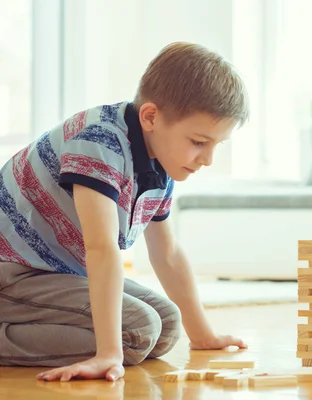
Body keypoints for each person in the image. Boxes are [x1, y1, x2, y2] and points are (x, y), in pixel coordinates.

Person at [0, 42, 249, 381]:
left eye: (217, 145)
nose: (207, 159)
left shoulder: (159, 162)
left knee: (167, 323)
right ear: (150, 116)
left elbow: (168, 254)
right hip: (14, 271)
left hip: (56, 272)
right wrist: (108, 354)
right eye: (199, 142)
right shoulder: (99, 142)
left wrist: (202, 335)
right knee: (137, 331)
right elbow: (101, 247)